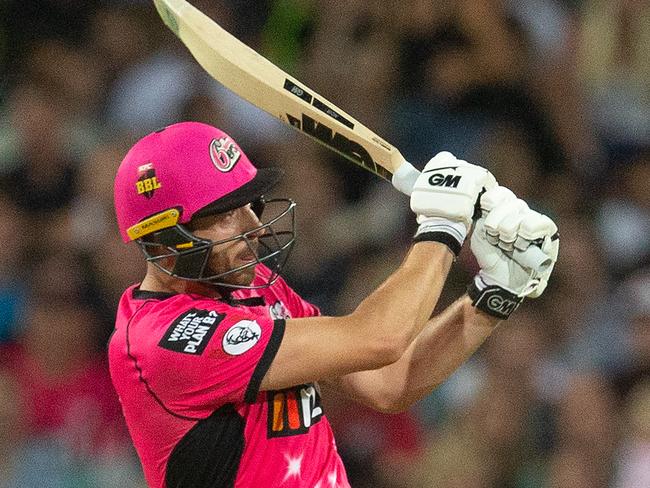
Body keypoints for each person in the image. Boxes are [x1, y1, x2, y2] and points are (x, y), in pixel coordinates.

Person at [109, 121, 558, 487]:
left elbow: (388, 383)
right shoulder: (158, 342)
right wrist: (443, 229)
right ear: (164, 239)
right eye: (226, 214)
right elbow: (379, 338)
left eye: (250, 205)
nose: (257, 228)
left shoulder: (256, 287)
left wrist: (494, 292)